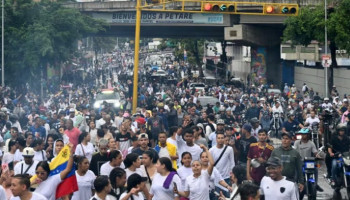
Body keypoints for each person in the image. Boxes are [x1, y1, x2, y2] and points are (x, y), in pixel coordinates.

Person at [209, 132, 235, 198]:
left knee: (228, 196)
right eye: (219, 138)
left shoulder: (229, 149)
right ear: (216, 139)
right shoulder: (211, 150)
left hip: (226, 177)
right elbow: (210, 164)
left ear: (224, 139)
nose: (220, 139)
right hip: (216, 178)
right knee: (217, 197)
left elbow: (232, 162)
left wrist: (232, 175)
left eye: (222, 138)